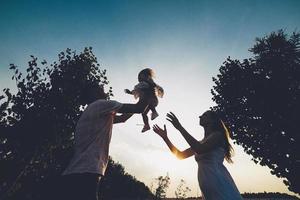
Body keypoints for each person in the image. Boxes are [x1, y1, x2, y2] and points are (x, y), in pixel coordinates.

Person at [60, 84, 149, 200]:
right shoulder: (100, 104)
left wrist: (138, 98)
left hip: (75, 171)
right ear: (93, 93)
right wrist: (147, 90)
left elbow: (123, 118)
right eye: (99, 88)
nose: (103, 89)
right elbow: (139, 108)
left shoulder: (94, 111)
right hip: (87, 170)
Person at [152, 111, 243, 200]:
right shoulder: (201, 142)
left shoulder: (217, 136)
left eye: (204, 115)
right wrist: (165, 138)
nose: (200, 116)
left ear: (213, 120)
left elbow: (200, 149)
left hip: (218, 182)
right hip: (207, 188)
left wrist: (180, 127)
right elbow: (180, 155)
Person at [124, 68, 164, 133]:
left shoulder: (145, 83)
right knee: (144, 113)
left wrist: (130, 92)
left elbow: (137, 91)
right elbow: (138, 91)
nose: (138, 78)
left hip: (150, 100)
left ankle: (154, 112)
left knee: (147, 102)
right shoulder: (150, 83)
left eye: (140, 76)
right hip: (153, 101)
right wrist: (130, 92)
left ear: (146, 76)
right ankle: (147, 125)